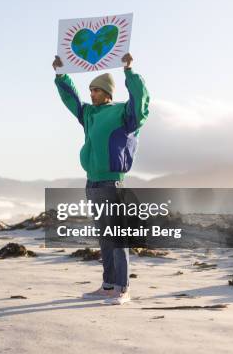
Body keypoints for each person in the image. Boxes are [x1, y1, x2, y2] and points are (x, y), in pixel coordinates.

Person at [52, 53, 150, 305]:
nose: (92, 93)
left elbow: (140, 104)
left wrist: (129, 71)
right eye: (91, 90)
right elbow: (71, 99)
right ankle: (108, 285)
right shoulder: (88, 115)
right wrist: (61, 75)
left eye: (96, 90)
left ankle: (122, 288)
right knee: (105, 237)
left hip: (111, 183)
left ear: (107, 93)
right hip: (92, 183)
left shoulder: (123, 114)